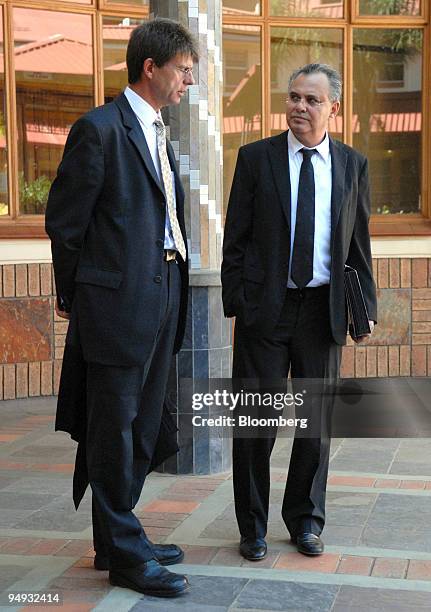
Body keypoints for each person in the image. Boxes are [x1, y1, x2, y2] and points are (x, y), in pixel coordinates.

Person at [45, 19, 198, 597]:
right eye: (183, 71)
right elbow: (65, 222)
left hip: (162, 295)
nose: (188, 82)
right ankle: (128, 553)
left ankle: (116, 539)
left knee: (142, 424)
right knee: (114, 429)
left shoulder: (160, 131)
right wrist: (77, 297)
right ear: (150, 68)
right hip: (116, 305)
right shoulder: (99, 129)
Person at [221, 63, 377, 562]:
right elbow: (236, 240)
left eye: (311, 100)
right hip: (265, 312)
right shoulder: (255, 159)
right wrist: (239, 303)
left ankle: (305, 520)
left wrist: (363, 309)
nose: (299, 108)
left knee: (316, 425)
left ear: (334, 107)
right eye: (292, 97)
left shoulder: (352, 165)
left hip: (321, 311)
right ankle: (252, 528)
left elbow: (358, 245)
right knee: (255, 424)